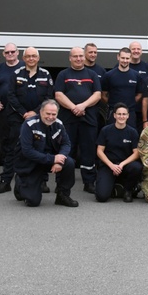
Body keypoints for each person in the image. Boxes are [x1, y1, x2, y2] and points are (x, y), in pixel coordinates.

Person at [0, 47, 53, 195]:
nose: (31, 59)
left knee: (41, 148)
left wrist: (34, 112)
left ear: (38, 58)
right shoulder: (16, 74)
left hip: (40, 118)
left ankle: (42, 182)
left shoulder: (45, 75)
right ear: (24, 58)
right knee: (13, 148)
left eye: (34, 56)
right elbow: (11, 96)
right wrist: (24, 113)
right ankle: (6, 181)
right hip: (17, 117)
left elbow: (49, 97)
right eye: (28, 56)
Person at [54, 46, 102, 193]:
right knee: (67, 150)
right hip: (68, 119)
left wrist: (82, 106)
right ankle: (62, 183)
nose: (79, 59)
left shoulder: (92, 74)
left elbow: (98, 95)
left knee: (88, 152)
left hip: (88, 119)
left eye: (81, 56)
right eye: (75, 56)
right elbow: (58, 95)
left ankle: (89, 182)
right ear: (70, 58)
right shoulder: (63, 74)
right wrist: (73, 107)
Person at [15, 100, 78, 207]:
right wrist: (53, 159)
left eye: (54, 114)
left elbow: (66, 144)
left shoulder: (58, 124)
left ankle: (63, 195)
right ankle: (20, 183)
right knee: (33, 202)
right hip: (32, 163)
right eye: (48, 114)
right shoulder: (29, 124)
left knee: (69, 163)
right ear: (40, 112)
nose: (51, 117)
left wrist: (60, 160)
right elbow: (27, 151)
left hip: (50, 160)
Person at [95, 103, 143, 203]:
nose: (121, 116)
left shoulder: (132, 132)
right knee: (102, 197)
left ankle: (128, 190)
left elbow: (136, 153)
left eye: (124, 114)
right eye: (119, 114)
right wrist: (111, 165)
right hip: (109, 165)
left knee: (137, 167)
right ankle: (112, 186)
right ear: (114, 115)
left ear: (128, 116)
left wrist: (122, 164)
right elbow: (99, 151)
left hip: (125, 165)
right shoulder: (105, 130)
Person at [0, 43, 20, 188]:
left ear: (18, 52)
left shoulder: (24, 68)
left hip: (19, 113)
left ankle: (21, 174)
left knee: (20, 143)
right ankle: (7, 176)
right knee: (6, 142)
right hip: (3, 111)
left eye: (12, 52)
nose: (10, 54)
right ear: (3, 54)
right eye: (7, 52)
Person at [101, 47, 141, 128]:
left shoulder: (136, 76)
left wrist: (130, 103)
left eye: (127, 58)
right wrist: (112, 104)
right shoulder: (109, 75)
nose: (125, 60)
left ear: (130, 59)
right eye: (123, 58)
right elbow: (103, 94)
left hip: (130, 113)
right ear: (118, 57)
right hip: (113, 113)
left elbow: (139, 94)